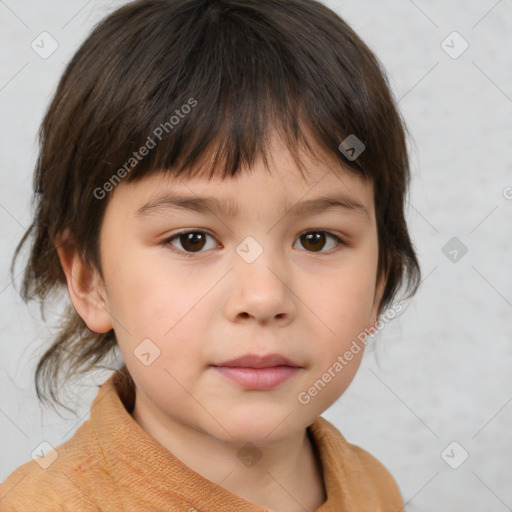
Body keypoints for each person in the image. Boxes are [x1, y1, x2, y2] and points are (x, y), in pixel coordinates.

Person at [0, 0, 421, 510]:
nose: (263, 298)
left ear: (380, 279)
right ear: (90, 280)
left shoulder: (372, 489)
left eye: (316, 239)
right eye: (192, 240)